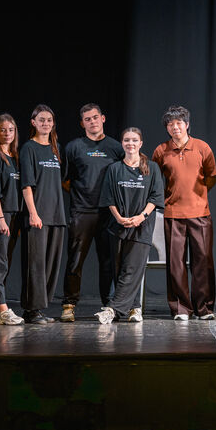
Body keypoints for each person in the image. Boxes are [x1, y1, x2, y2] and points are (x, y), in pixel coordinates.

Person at [151, 106, 216, 320]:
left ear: (187, 125)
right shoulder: (161, 150)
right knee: (175, 264)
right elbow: (154, 180)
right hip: (173, 214)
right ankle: (181, 309)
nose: (175, 127)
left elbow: (211, 178)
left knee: (203, 262)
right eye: (171, 124)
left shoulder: (202, 147)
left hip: (200, 213)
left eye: (179, 123)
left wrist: (198, 196)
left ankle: (204, 308)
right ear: (167, 128)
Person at [95, 128, 165, 323]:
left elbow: (156, 197)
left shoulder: (152, 168)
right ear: (122, 143)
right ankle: (134, 308)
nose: (130, 143)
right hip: (118, 225)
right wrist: (118, 217)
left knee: (132, 269)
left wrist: (141, 217)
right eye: (127, 140)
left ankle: (112, 310)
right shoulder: (114, 168)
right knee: (119, 270)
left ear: (141, 143)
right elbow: (108, 197)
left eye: (134, 140)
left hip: (141, 226)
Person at [62, 103, 124, 320]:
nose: (92, 122)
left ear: (103, 118)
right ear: (82, 123)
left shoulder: (116, 148)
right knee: (75, 259)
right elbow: (65, 180)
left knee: (108, 261)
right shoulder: (74, 147)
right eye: (87, 119)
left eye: (95, 117)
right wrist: (82, 194)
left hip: (109, 213)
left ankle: (109, 304)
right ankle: (69, 304)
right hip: (82, 212)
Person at [20, 105, 67, 324]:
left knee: (50, 265)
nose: (45, 123)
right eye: (41, 120)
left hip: (56, 215)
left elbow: (62, 181)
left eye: (49, 120)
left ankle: (41, 308)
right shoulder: (29, 148)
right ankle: (31, 310)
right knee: (36, 265)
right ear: (33, 122)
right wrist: (33, 213)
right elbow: (26, 184)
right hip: (37, 215)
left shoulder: (56, 148)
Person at [0, 114, 25, 326]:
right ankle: (0, 309)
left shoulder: (15, 157)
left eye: (11, 129)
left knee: (5, 262)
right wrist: (0, 218)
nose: (7, 133)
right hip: (2, 214)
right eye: (2, 130)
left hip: (15, 215)